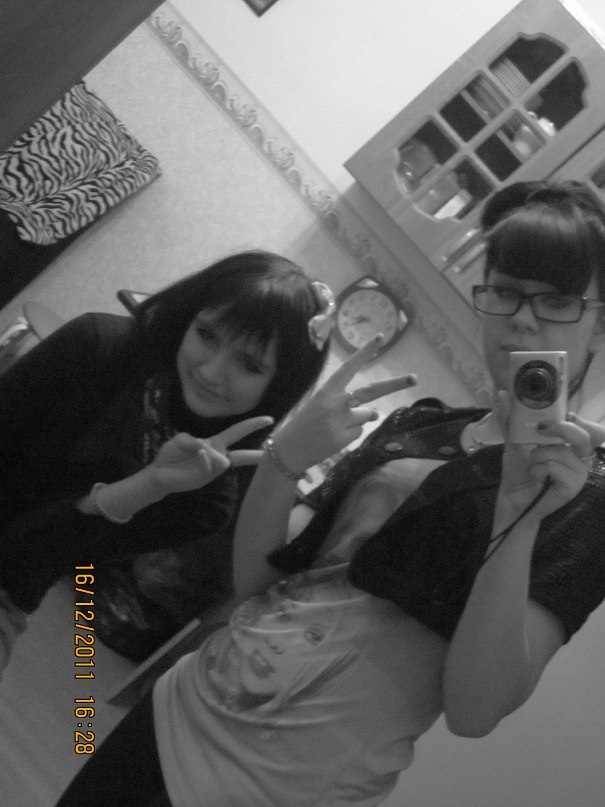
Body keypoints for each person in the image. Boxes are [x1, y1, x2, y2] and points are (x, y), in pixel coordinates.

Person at [55, 180, 605, 807]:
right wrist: (283, 461)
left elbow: (474, 711)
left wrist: (519, 517)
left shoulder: (583, 497)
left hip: (273, 789)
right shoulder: (420, 425)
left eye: (558, 300)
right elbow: (258, 584)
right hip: (181, 704)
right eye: (504, 290)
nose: (523, 317)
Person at [0, 249, 338, 675]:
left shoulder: (209, 496)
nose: (212, 371)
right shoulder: (99, 345)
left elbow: (36, 559)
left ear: (278, 386)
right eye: (207, 334)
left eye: (249, 364)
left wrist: (147, 486)